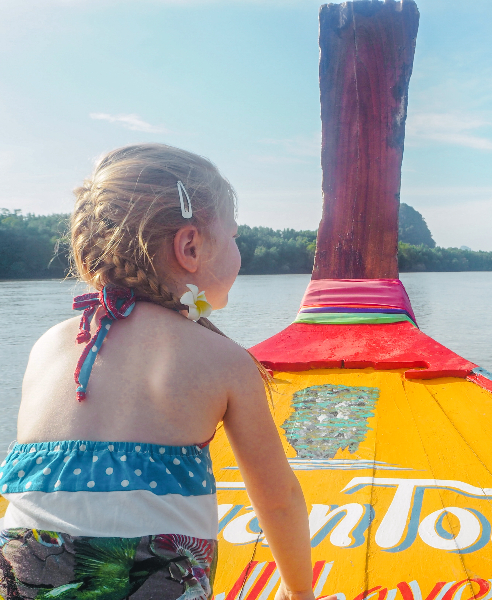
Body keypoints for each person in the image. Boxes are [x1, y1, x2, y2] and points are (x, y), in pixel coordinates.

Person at [0, 144, 321, 600]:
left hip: (28, 569)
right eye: (233, 236)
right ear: (190, 246)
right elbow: (278, 500)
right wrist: (297, 593)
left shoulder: (50, 344)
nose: (239, 250)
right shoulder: (223, 359)